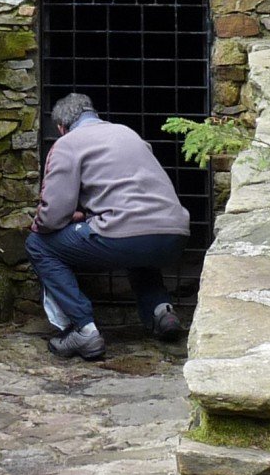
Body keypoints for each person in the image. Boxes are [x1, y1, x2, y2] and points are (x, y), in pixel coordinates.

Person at [25, 93, 191, 359]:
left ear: (60, 127)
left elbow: (53, 214)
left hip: (124, 235)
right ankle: (161, 312)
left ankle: (82, 329)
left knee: (38, 244)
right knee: (135, 241)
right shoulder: (127, 133)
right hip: (176, 233)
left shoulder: (68, 143)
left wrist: (55, 221)